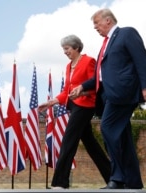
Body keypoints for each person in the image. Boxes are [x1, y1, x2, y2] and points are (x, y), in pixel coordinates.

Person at [69, 9, 146, 189]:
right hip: (108, 95)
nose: (95, 28)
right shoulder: (105, 44)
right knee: (123, 137)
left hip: (122, 93)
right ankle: (133, 182)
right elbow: (99, 75)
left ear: (108, 21)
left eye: (97, 23)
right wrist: (83, 87)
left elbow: (142, 59)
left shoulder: (126, 33)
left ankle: (117, 177)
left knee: (107, 128)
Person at [38, 34, 110, 189]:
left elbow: (96, 85)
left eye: (67, 48)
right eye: (64, 49)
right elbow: (66, 91)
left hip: (85, 106)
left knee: (68, 140)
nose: (65, 52)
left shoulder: (88, 61)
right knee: (91, 144)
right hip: (73, 105)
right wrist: (51, 102)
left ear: (76, 47)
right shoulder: (68, 66)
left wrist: (82, 93)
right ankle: (112, 177)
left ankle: (60, 182)